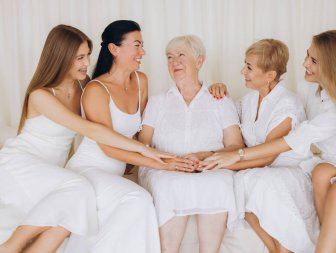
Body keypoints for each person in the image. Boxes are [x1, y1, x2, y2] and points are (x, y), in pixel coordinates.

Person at [202, 30, 336, 253]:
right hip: (334, 164)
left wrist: (237, 155)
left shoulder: (335, 112)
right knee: (321, 173)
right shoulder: (310, 91)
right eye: (307, 55)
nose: (304, 62)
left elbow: (290, 141)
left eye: (313, 60)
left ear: (332, 67)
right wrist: (220, 90)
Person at [0, 24, 170, 253]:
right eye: (79, 58)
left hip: (53, 171)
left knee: (73, 210)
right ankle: (11, 247)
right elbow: (92, 130)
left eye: (87, 56)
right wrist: (145, 151)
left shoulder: (84, 85)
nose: (86, 63)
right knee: (78, 188)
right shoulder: (40, 96)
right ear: (61, 58)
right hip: (21, 164)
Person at [64, 20, 178, 253]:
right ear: (114, 49)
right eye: (136, 45)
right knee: (139, 200)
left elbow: (142, 133)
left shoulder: (140, 80)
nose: (142, 52)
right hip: (89, 170)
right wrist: (162, 163)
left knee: (137, 205)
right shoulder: (96, 90)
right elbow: (109, 149)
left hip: (116, 172)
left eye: (142, 45)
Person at [137, 35, 244, 253]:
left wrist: (203, 156)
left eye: (181, 55)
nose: (174, 61)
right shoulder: (158, 102)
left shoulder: (220, 99)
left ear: (200, 61)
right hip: (164, 170)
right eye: (169, 56)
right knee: (169, 185)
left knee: (219, 184)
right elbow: (143, 145)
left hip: (210, 169)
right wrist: (172, 162)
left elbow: (235, 146)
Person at [216, 38, 317, 253]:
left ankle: (285, 248)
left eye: (249, 67)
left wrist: (221, 163)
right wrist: (220, 91)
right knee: (242, 182)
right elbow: (230, 127)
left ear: (270, 75)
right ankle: (279, 250)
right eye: (245, 64)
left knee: (255, 180)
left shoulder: (288, 106)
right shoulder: (249, 100)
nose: (243, 71)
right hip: (259, 173)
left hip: (288, 175)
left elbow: (267, 157)